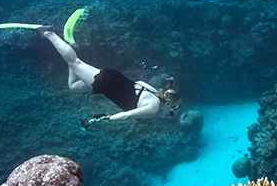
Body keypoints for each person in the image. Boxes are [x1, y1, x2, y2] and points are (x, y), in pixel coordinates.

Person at [36, 25, 181, 129]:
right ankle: (49, 33)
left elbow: (135, 84)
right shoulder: (153, 108)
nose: (174, 109)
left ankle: (69, 49)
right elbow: (127, 116)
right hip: (105, 84)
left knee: (73, 86)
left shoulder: (152, 89)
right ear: (169, 104)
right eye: (175, 107)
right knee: (75, 61)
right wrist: (107, 118)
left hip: (113, 77)